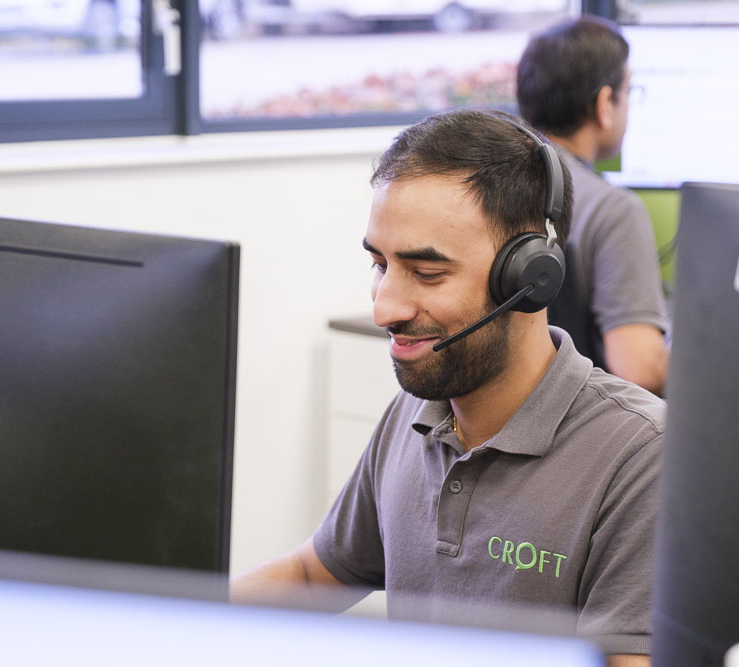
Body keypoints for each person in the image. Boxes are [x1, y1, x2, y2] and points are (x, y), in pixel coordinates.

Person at [230, 109, 664, 667]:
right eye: (379, 264)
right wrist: (160, 629)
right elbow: (316, 575)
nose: (384, 307)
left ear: (530, 278)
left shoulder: (640, 457)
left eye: (427, 273)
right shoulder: (417, 410)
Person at [517, 15, 670, 396]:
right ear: (605, 104)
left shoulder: (493, 185)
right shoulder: (613, 210)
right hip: (588, 432)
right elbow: (640, 370)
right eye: (629, 92)